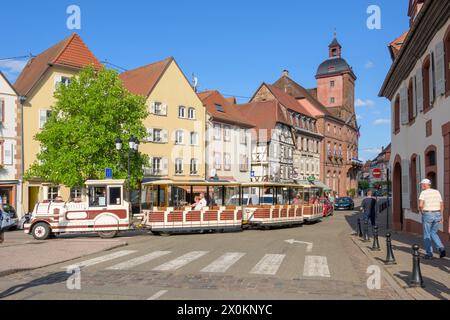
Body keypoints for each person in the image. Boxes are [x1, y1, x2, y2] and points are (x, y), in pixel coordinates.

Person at [419, 179, 446, 259]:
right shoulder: (437, 192)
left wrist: (422, 212)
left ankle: (429, 254)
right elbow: (441, 205)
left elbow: (420, 205)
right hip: (437, 214)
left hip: (428, 214)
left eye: (422, 184)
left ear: (425, 185)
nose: (421, 186)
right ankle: (441, 247)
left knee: (427, 234)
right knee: (434, 233)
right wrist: (441, 216)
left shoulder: (423, 193)